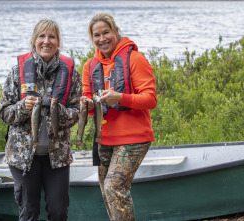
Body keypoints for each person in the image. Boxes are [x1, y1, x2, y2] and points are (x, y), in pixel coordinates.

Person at [0, 19, 81, 221]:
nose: (46, 41)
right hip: (23, 157)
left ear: (58, 41)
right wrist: (22, 107)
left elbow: (77, 112)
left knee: (59, 212)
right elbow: (4, 113)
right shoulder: (18, 72)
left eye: (52, 36)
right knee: (29, 211)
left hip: (58, 158)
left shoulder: (70, 73)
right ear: (34, 40)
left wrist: (58, 111)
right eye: (42, 36)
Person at [81, 13, 157, 221]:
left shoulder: (136, 59)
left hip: (134, 138)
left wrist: (120, 97)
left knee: (114, 188)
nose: (102, 38)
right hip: (104, 139)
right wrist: (86, 104)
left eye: (106, 32)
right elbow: (88, 104)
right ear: (92, 38)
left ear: (116, 32)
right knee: (108, 192)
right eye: (96, 35)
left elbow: (150, 99)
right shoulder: (89, 66)